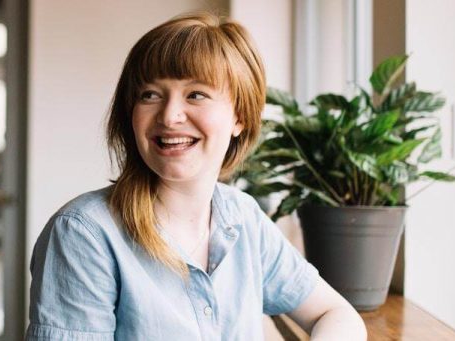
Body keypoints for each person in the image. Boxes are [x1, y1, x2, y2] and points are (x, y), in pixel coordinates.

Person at [26, 12, 367, 340]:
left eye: (196, 94)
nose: (169, 116)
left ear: (239, 117)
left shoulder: (243, 217)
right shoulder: (84, 233)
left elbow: (335, 313)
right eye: (150, 95)